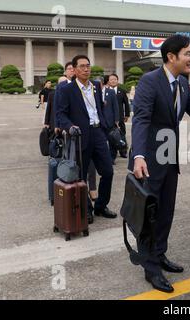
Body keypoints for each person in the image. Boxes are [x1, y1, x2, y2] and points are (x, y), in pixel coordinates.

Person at [130, 34, 190, 293]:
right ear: (171, 57)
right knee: (148, 217)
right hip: (148, 160)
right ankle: (151, 269)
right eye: (188, 54)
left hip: (170, 160)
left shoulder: (182, 84)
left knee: (165, 213)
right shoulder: (150, 81)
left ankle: (159, 255)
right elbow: (141, 119)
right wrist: (138, 155)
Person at [56, 54, 117, 224]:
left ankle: (100, 206)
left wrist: (105, 125)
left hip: (98, 133)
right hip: (80, 136)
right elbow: (61, 114)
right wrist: (70, 127)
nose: (86, 69)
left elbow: (99, 108)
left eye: (88, 66)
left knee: (108, 171)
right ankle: (87, 209)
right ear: (74, 69)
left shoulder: (96, 86)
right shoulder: (66, 89)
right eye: (82, 66)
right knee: (81, 176)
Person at [95, 76, 120, 164]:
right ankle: (101, 158)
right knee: (100, 141)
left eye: (98, 84)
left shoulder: (111, 92)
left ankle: (112, 158)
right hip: (99, 122)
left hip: (110, 121)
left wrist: (116, 119)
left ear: (102, 83)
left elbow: (115, 107)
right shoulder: (93, 93)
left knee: (112, 140)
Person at [108, 73, 130, 158]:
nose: (113, 81)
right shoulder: (105, 91)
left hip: (120, 117)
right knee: (111, 135)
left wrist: (127, 114)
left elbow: (126, 104)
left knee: (122, 134)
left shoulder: (122, 91)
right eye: (111, 79)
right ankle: (112, 154)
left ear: (117, 81)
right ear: (109, 81)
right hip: (109, 118)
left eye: (115, 79)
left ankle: (123, 151)